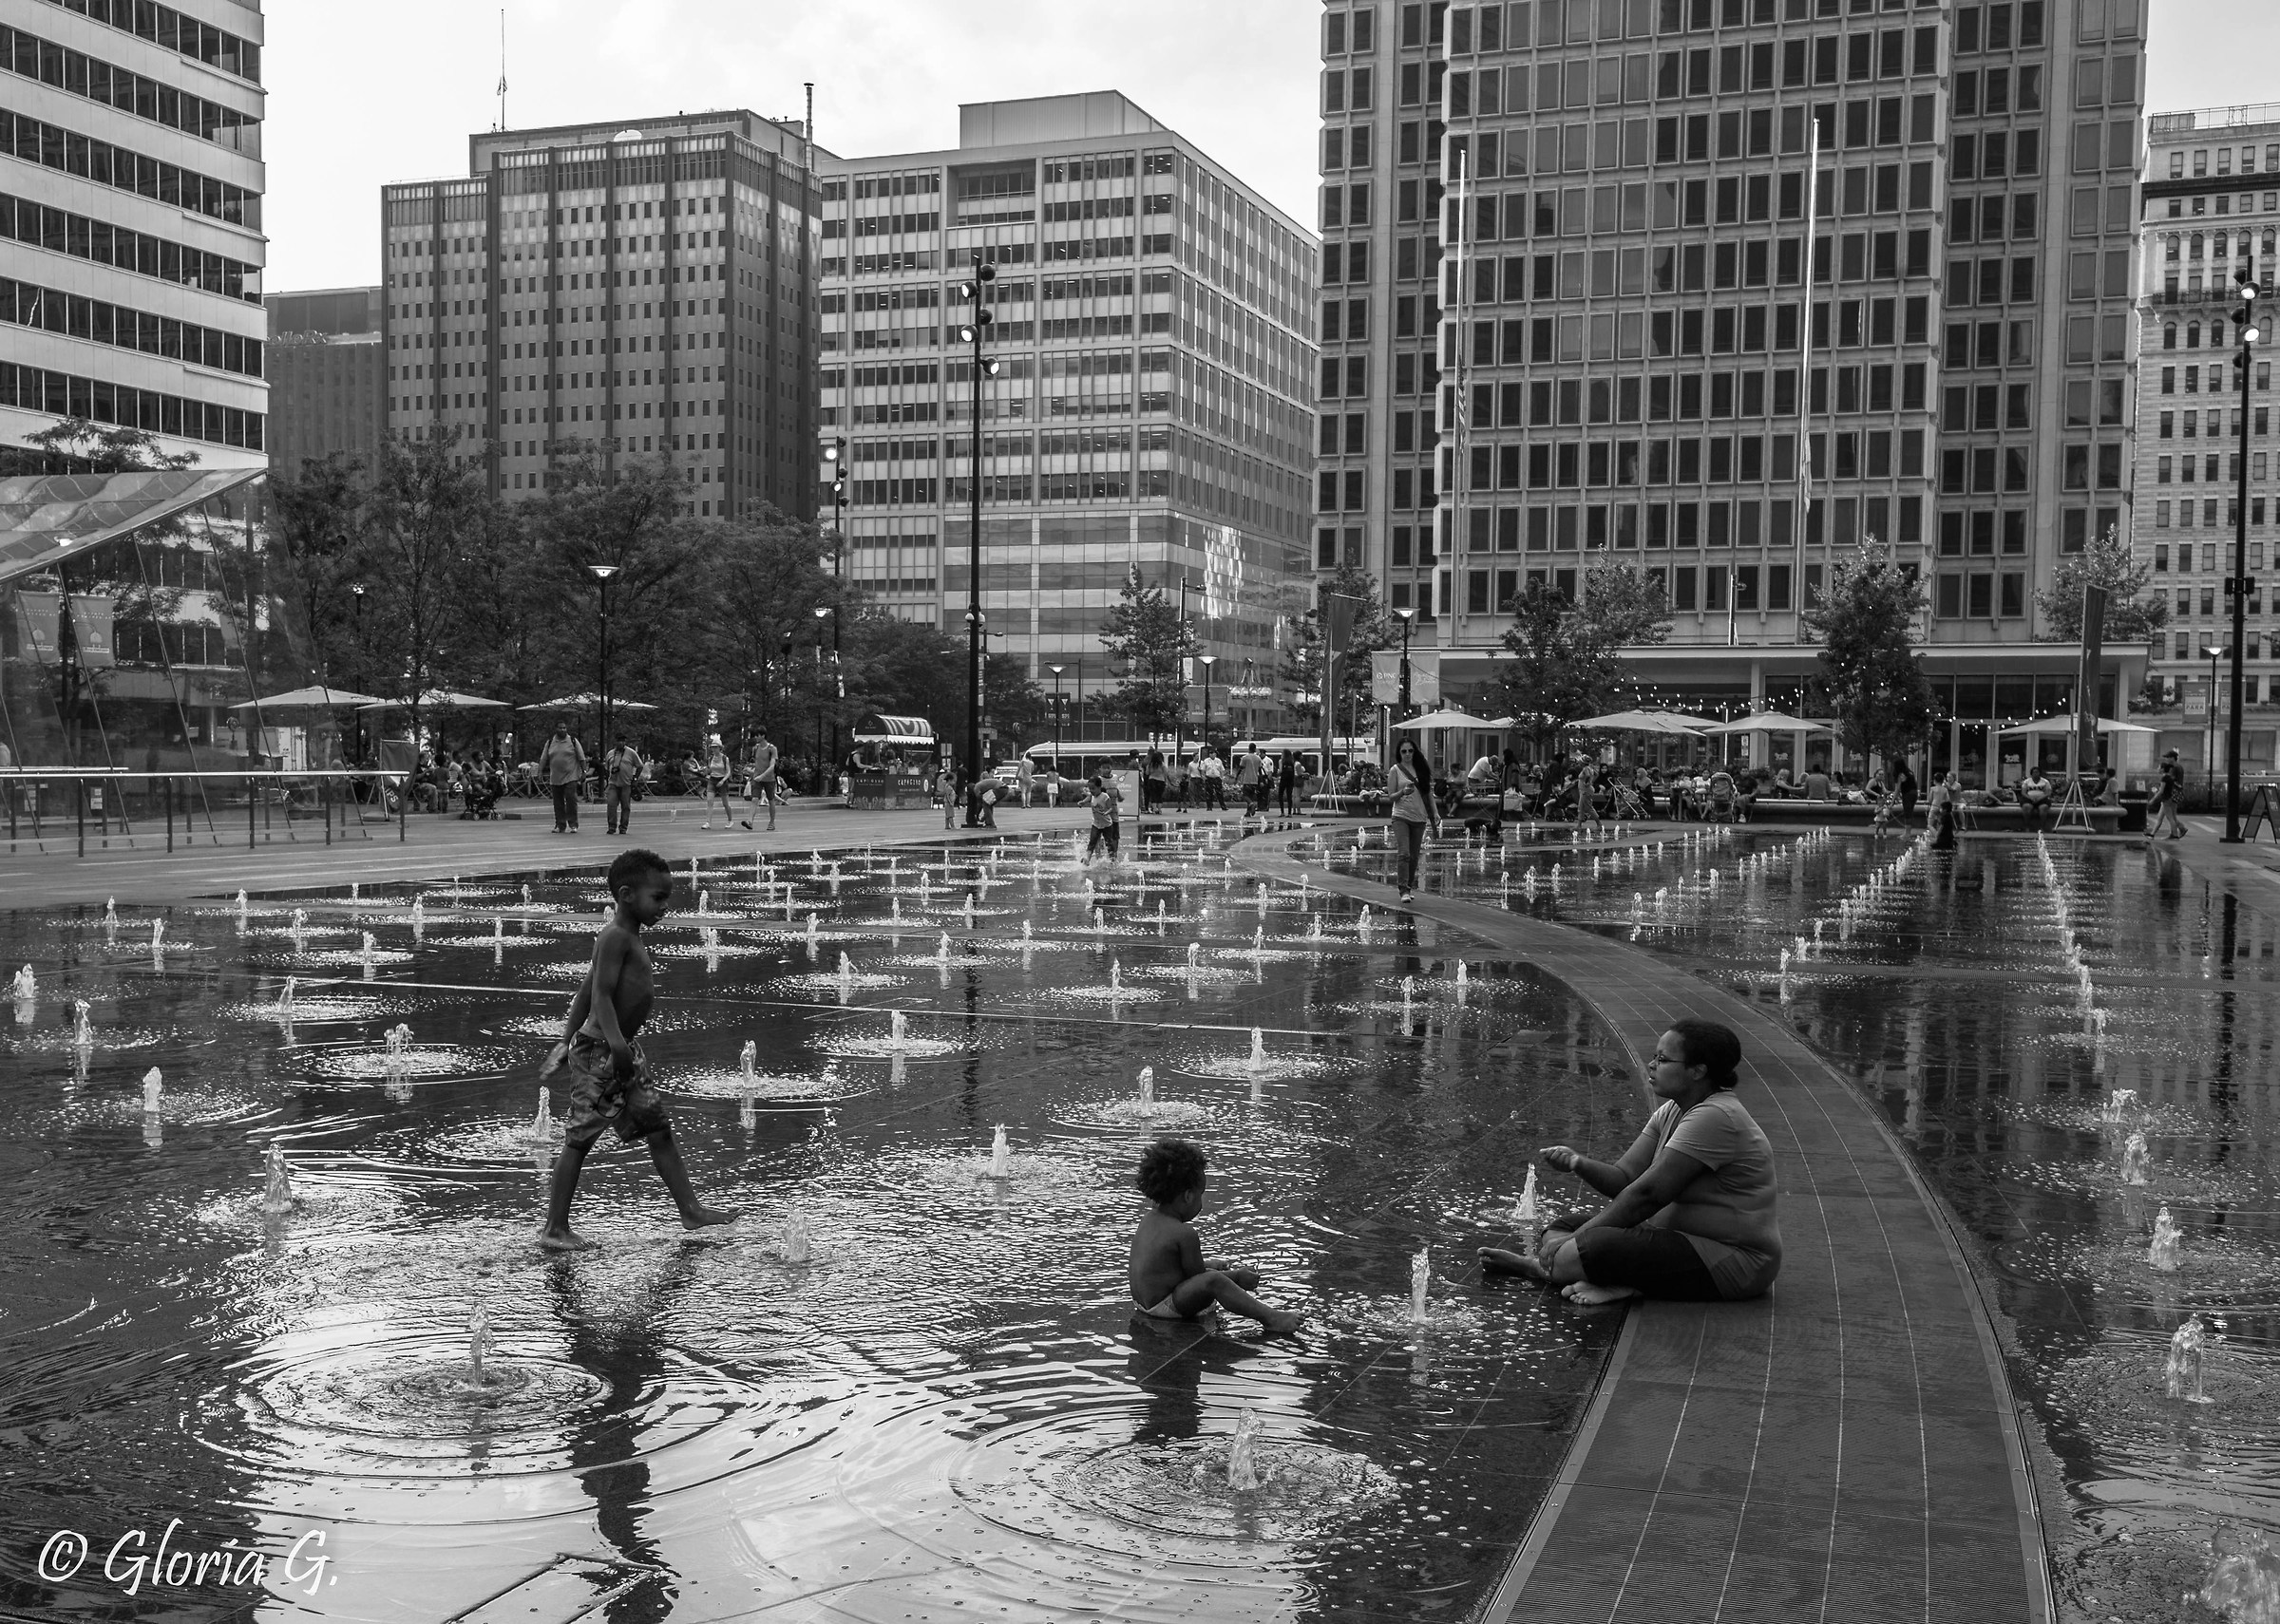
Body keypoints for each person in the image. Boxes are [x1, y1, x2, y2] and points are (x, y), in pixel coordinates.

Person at [1479, 1018, 1780, 1305]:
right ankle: (1609, 1280)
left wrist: (1578, 1239)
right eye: (1654, 1056)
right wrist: (1578, 1163)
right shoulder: (1673, 1110)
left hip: (1735, 1263)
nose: (1652, 1065)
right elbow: (1625, 1178)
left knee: (1591, 1246)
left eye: (1663, 1060)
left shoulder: (1716, 1116)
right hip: (1677, 1241)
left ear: (1698, 1071)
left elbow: (1647, 1196)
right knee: (1562, 1227)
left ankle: (1541, 1269)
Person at [537, 847, 740, 1250]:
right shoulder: (614, 937)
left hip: (621, 1050)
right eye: (658, 898)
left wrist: (564, 1038)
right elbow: (602, 996)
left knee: (658, 1130)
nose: (665, 906)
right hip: (602, 1054)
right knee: (579, 1139)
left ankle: (691, 1211)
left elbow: (584, 990)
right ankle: (554, 1229)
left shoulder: (627, 936)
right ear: (627, 894)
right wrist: (613, 1045)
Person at [1130, 1136, 1306, 1334]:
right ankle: (1272, 1318)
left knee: (1211, 1274)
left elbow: (1170, 1270)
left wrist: (1209, 1264)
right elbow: (1201, 1281)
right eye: (1201, 1194)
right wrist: (1237, 1277)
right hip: (1164, 1307)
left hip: (1142, 1302)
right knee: (1215, 1281)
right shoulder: (1184, 1233)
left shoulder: (1148, 1220)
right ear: (1188, 1197)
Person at [1386, 737, 1441, 902]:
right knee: (1404, 853)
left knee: (1414, 856)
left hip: (1420, 817)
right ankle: (1403, 890)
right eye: (1404, 751)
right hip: (1401, 816)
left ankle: (1408, 887)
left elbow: (1428, 793)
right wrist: (1403, 792)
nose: (1407, 754)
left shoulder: (1421, 769)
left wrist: (1435, 813)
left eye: (1410, 751)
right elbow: (1391, 797)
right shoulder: (1395, 770)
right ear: (1399, 753)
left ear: (1415, 752)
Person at [540, 722, 586, 834]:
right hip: (555, 778)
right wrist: (539, 772)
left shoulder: (573, 741)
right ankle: (560, 824)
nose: (563, 730)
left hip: (571, 776)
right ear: (556, 729)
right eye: (560, 728)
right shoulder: (550, 742)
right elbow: (543, 758)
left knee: (571, 799)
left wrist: (583, 771)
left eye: (564, 728)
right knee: (558, 802)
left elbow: (582, 758)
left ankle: (573, 824)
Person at [696, 735, 746, 831]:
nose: (714, 749)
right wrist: (705, 771)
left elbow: (728, 772)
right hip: (712, 780)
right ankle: (708, 822)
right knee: (710, 801)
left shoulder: (724, 758)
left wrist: (723, 781)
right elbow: (710, 769)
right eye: (713, 747)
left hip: (722, 780)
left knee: (725, 803)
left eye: (716, 747)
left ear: (720, 748)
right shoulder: (711, 759)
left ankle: (730, 820)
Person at [602, 736, 643, 837]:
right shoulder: (610, 753)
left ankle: (623, 827)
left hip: (626, 784)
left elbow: (640, 766)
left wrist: (635, 779)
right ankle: (612, 827)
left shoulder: (631, 753)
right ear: (615, 742)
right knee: (611, 805)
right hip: (613, 784)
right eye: (619, 741)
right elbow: (607, 768)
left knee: (625, 806)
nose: (621, 743)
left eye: (623, 741)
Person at [2149, 749, 2188, 839]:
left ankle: (2176, 833)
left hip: (2170, 794)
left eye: (2167, 757)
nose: (2166, 759)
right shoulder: (2180, 766)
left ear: (2172, 758)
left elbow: (2170, 781)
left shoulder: (2173, 767)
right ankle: (2177, 830)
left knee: (2170, 817)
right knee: (2166, 816)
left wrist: (2159, 790)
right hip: (2176, 793)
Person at [1086, 772, 1123, 863]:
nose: (1091, 790)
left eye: (1093, 788)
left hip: (1107, 825)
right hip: (1096, 824)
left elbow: (1111, 808)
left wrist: (1106, 812)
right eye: (1090, 788)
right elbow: (1089, 798)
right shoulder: (1093, 796)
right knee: (1092, 841)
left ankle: (1113, 860)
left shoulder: (1105, 796)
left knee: (1109, 842)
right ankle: (1087, 859)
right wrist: (1082, 802)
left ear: (1099, 787)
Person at [2018, 765, 2054, 830]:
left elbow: (2048, 793)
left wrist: (2040, 798)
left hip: (2042, 799)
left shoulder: (2045, 782)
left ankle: (2042, 827)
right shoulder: (2027, 781)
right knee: (2026, 808)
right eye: (2034, 772)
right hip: (2029, 799)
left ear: (2040, 773)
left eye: (2037, 772)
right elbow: (2023, 793)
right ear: (2031, 774)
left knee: (2043, 808)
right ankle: (2027, 826)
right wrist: (2030, 798)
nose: (2035, 774)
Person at [1235, 745, 1265, 814]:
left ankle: (1252, 804)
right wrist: (1261, 781)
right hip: (1255, 780)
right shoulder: (1258, 758)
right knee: (1251, 796)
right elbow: (1260, 771)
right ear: (1255, 749)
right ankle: (1248, 812)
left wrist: (1236, 777)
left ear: (1248, 749)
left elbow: (1240, 768)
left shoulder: (1245, 758)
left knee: (1245, 795)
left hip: (1247, 780)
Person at [1277, 748, 1302, 816]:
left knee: (1280, 795)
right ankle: (1289, 813)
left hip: (1283, 779)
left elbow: (1281, 771)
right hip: (1290, 780)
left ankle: (1282, 812)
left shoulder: (1281, 761)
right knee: (1289, 796)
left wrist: (1278, 772)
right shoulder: (1292, 761)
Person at [936, 760, 959, 830]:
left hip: (947, 803)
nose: (954, 782)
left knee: (947, 815)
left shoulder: (947, 786)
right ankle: (952, 826)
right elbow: (947, 795)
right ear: (949, 780)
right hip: (949, 803)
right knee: (950, 815)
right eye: (953, 781)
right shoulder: (948, 787)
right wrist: (951, 802)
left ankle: (947, 826)